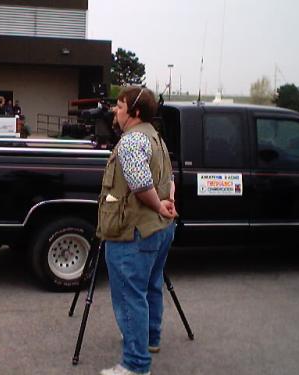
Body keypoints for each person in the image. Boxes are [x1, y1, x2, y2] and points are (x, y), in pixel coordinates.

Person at [97, 87, 178, 375]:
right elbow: (169, 180)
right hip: (160, 230)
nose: (114, 112)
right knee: (150, 285)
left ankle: (135, 364)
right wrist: (167, 205)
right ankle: (150, 339)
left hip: (133, 232)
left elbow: (141, 185)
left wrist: (158, 206)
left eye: (119, 107)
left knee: (130, 295)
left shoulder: (132, 141)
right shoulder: (156, 136)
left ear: (135, 112)